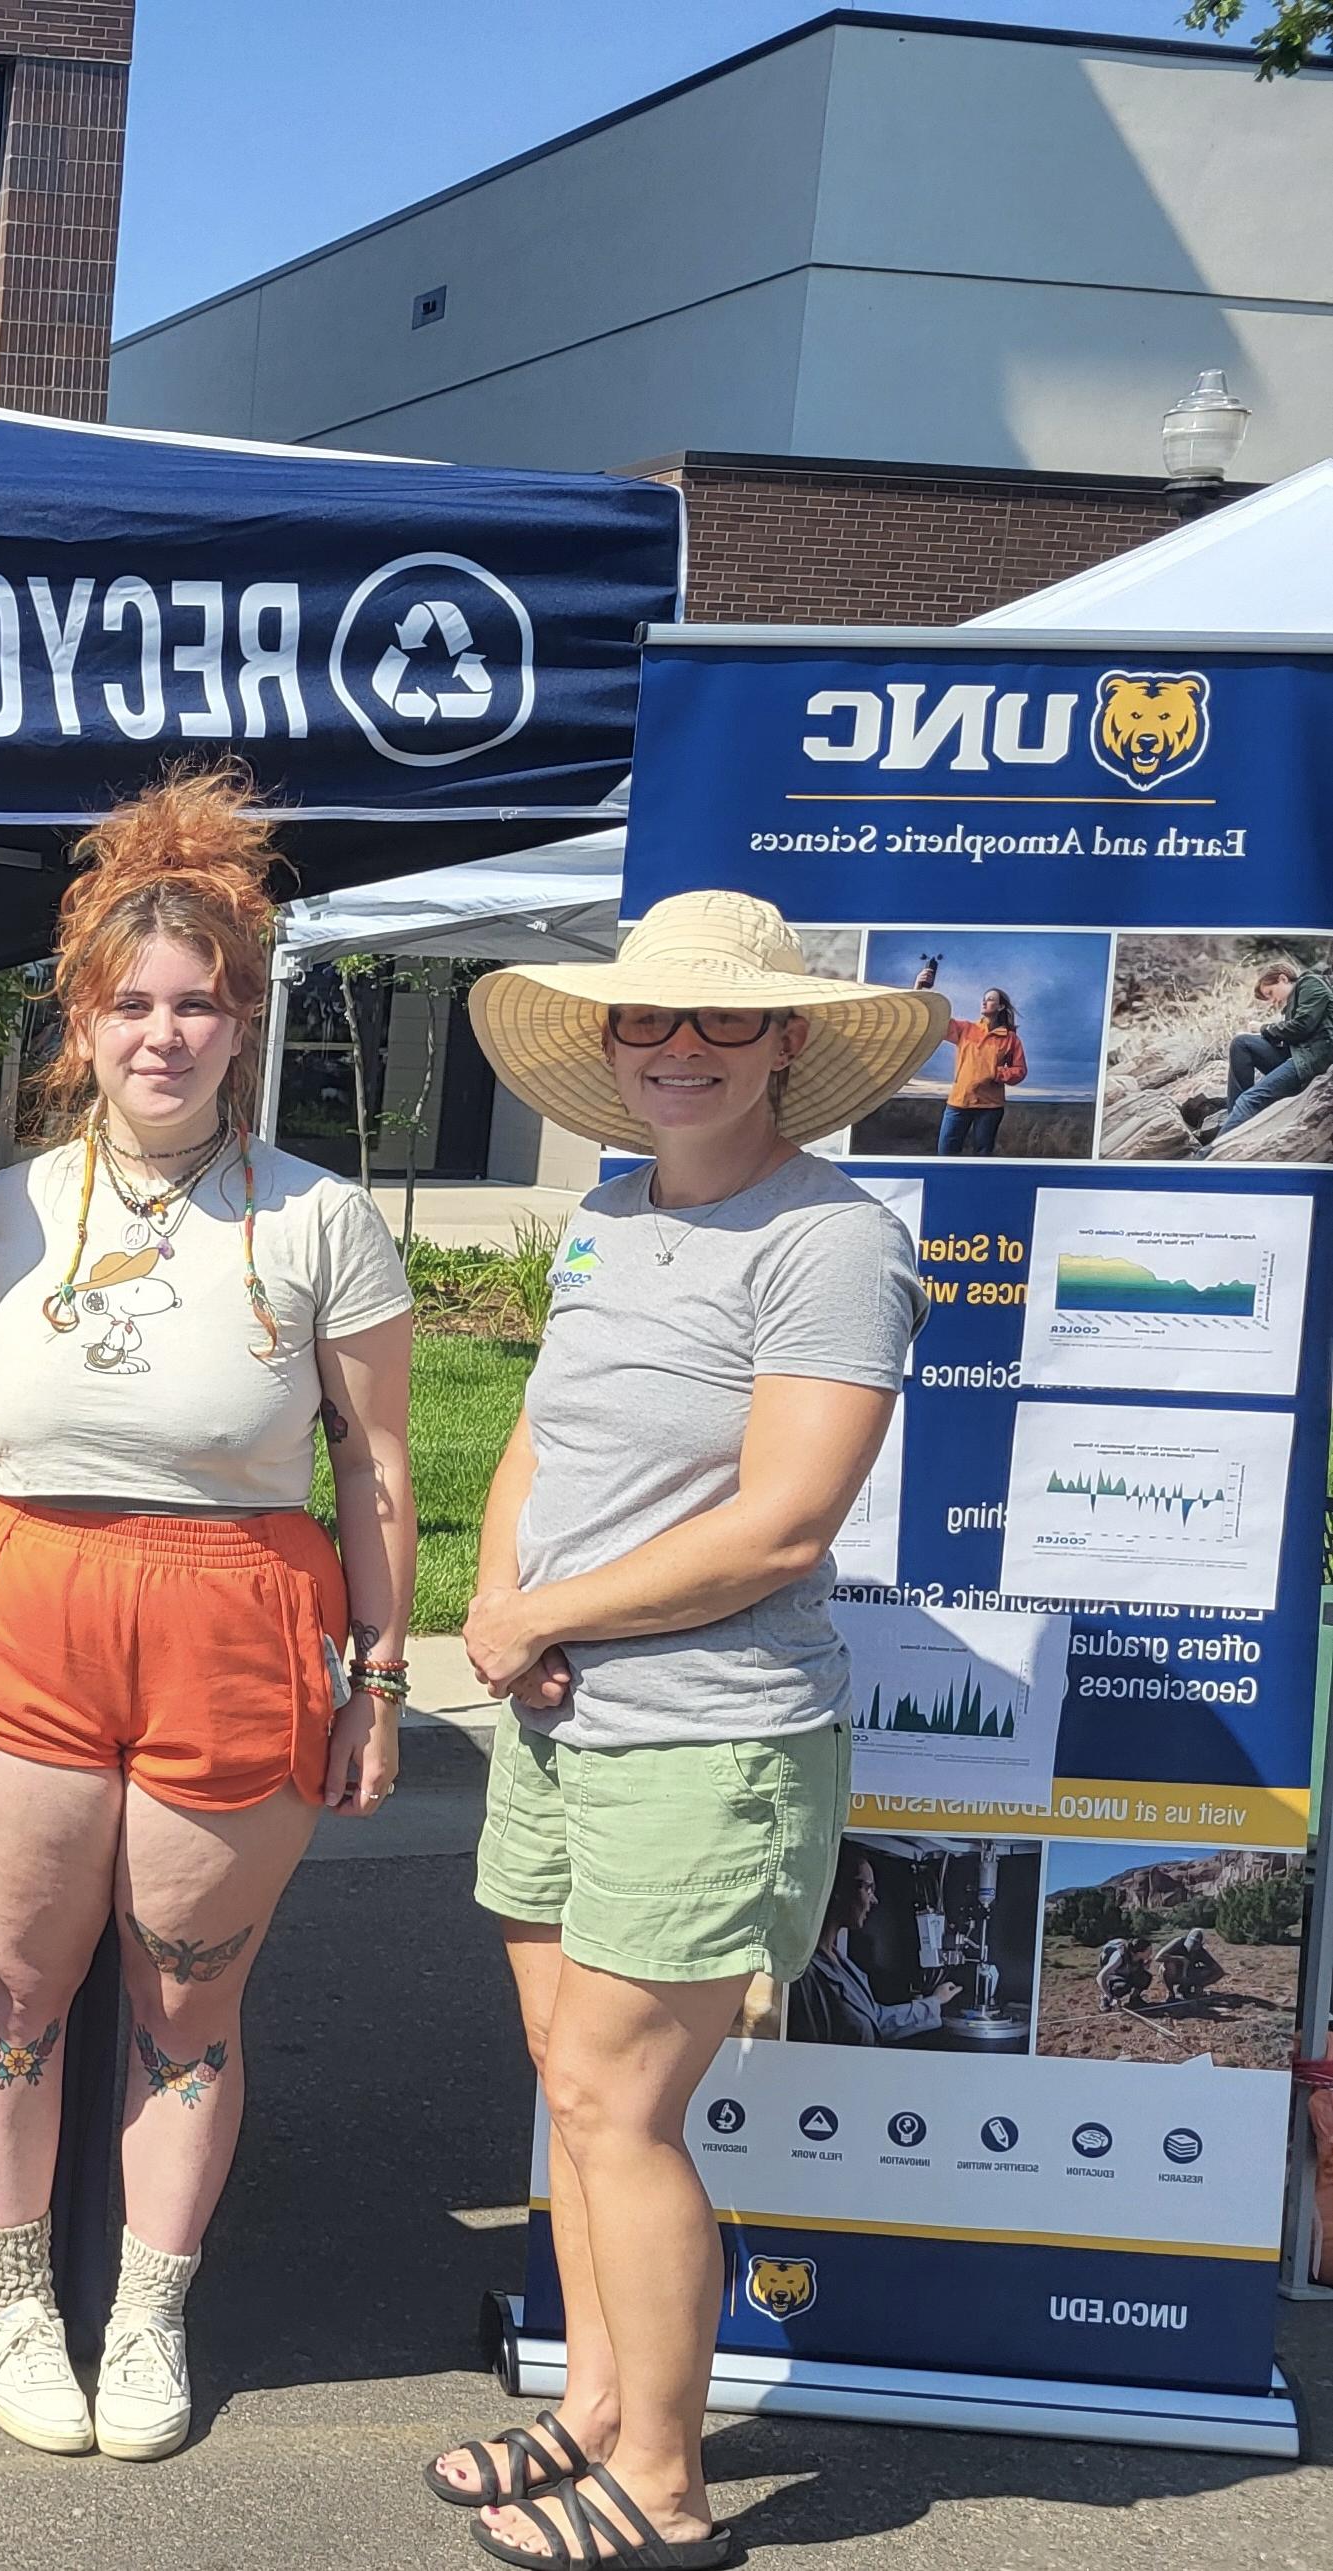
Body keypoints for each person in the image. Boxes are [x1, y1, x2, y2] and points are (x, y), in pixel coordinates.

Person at [423, 891, 934, 2568]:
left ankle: (662, 2480)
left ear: (789, 1043)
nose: (682, 1049)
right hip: (565, 1716)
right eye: (650, 1021)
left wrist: (545, 1617)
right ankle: (593, 2408)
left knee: (614, 2106)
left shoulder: (832, 1238)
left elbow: (782, 1527)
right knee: (570, 2100)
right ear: (610, 1044)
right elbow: (536, 1445)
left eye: (723, 1021)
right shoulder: (611, 1213)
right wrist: (505, 1607)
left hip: (709, 1739)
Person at [0, 772, 415, 2463]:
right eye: (130, 1002)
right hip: (29, 1599)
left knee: (185, 1998)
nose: (163, 1033)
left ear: (241, 1022)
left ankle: (147, 2309)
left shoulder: (321, 1214)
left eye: (197, 1004)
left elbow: (377, 1467)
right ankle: (13, 2298)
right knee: (14, 1983)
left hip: (241, 1610)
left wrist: (377, 1676)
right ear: (80, 1017)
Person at [784, 1852, 957, 2047]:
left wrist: (935, 2001)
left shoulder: (840, 1963)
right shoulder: (804, 1973)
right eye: (868, 1888)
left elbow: (876, 2019)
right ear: (837, 1890)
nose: (873, 1900)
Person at [1221, 959, 1333, 1134]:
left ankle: (1213, 1150)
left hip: (1313, 1060)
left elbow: (1301, 1027)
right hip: (1299, 1055)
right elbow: (1294, 1035)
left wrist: (1264, 1028)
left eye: (1271, 993)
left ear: (1283, 979)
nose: (1273, 1001)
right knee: (1241, 1043)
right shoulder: (1295, 1001)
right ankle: (1234, 1117)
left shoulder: (1310, 983)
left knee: (1249, 1100)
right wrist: (1265, 1035)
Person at [933, 986, 1023, 1157]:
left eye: (990, 999)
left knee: (982, 1157)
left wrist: (997, 1073)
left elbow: (1019, 1071)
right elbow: (935, 1021)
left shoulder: (1010, 1039)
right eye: (984, 998)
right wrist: (921, 987)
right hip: (959, 1103)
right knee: (945, 1154)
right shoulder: (965, 1029)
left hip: (990, 1107)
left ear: (1001, 1007)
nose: (984, 1001)